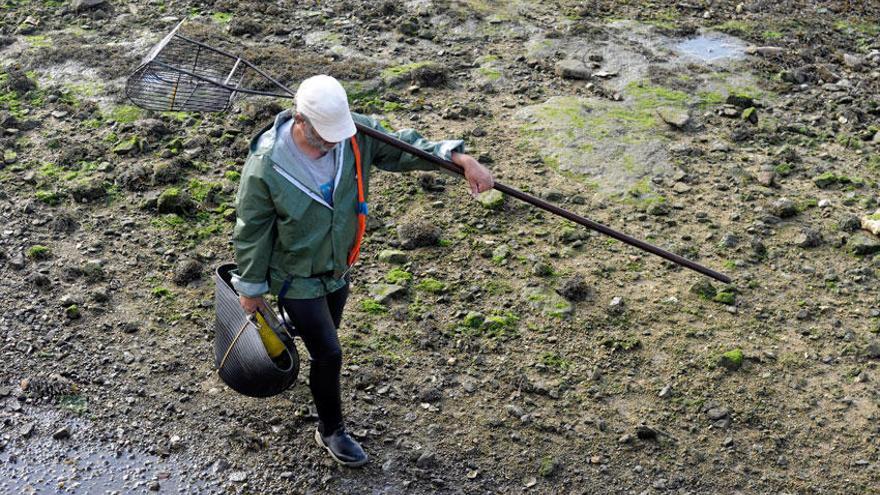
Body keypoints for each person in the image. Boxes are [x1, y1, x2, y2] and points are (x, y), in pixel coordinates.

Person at [231, 75, 493, 467]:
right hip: (294, 274)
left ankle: (292, 323)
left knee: (326, 330)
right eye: (326, 137)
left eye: (339, 134)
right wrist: (251, 288)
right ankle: (331, 429)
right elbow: (252, 230)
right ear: (300, 121)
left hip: (338, 265)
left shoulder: (354, 135)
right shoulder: (267, 165)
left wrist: (458, 159)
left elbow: (405, 148)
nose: (335, 143)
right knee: (329, 353)